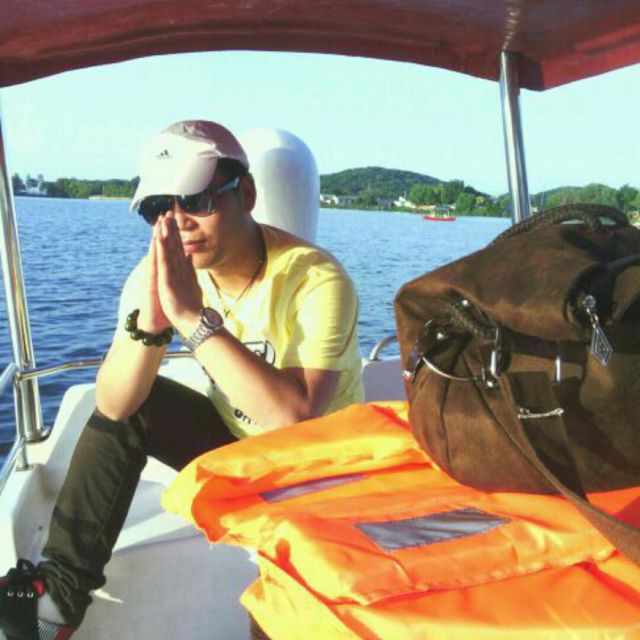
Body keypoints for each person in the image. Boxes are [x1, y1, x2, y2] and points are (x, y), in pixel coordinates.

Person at [0, 120, 363, 639]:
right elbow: (114, 405)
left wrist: (192, 319)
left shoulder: (315, 279)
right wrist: (151, 325)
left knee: (281, 619)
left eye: (196, 200)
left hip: (319, 471)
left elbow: (296, 418)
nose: (178, 222)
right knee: (138, 403)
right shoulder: (160, 276)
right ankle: (55, 601)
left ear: (247, 194)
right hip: (237, 453)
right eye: (159, 208)